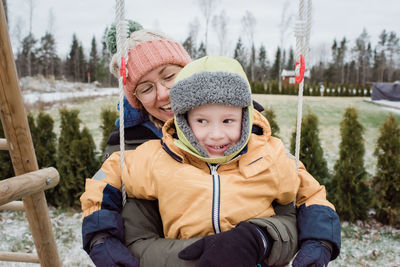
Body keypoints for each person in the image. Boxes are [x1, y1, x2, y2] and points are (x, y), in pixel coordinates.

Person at [81, 55, 340, 266]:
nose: (216, 135)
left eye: (228, 120)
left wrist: (320, 241)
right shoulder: (157, 157)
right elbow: (105, 180)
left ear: (245, 117)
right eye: (201, 121)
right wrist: (99, 236)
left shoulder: (268, 153)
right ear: (183, 121)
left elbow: (311, 193)